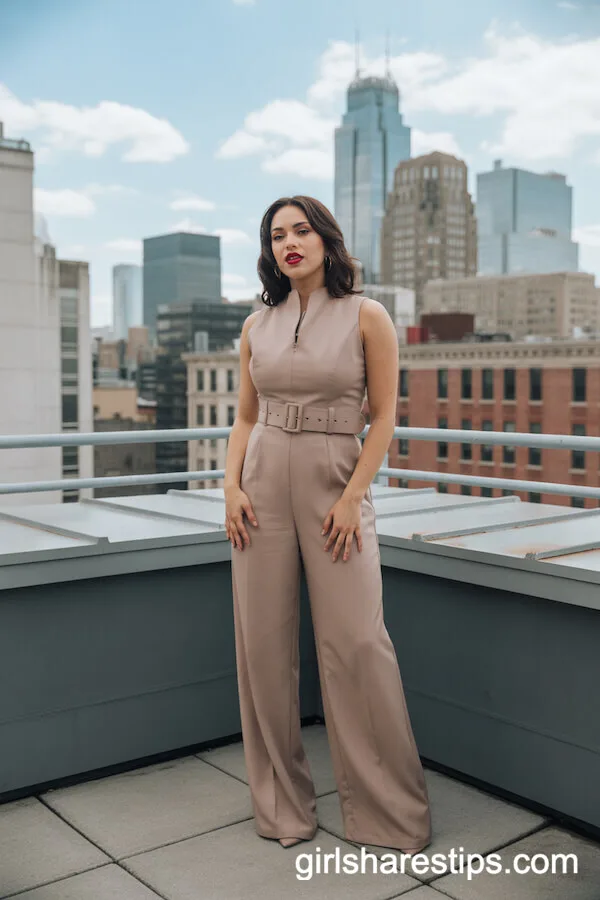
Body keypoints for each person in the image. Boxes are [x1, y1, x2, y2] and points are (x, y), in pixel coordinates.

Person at [223, 195, 431, 852]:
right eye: (278, 234)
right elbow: (245, 418)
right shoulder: (256, 325)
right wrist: (228, 486)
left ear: (325, 240)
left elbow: (387, 418)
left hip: (336, 482)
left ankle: (389, 816)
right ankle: (283, 807)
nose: (290, 242)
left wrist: (352, 497)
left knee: (357, 646)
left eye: (301, 230)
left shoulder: (368, 316)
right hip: (261, 485)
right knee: (262, 647)